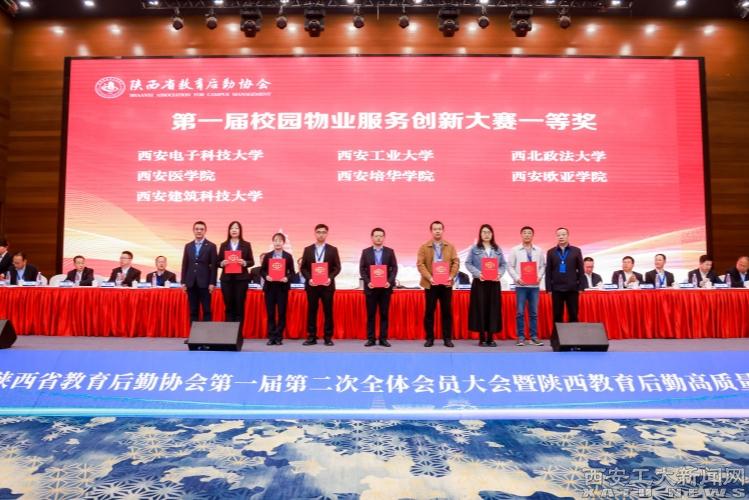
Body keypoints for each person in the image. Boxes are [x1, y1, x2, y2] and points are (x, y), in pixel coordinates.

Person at [417, 220, 460, 348]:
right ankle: (429, 338)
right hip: (431, 284)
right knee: (429, 312)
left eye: (439, 229)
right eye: (435, 229)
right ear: (431, 231)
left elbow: (456, 262)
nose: (437, 231)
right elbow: (420, 264)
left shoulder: (450, 246)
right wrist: (430, 277)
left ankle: (447, 338)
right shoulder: (424, 247)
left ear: (443, 230)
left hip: (446, 284)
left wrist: (451, 276)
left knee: (447, 312)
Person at [464, 224, 506, 347]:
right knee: (480, 309)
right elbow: (468, 263)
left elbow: (503, 264)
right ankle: (482, 337)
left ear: (492, 234)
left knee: (493, 309)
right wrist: (478, 274)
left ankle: (491, 338)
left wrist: (499, 274)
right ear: (480, 234)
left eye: (488, 232)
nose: (486, 234)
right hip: (480, 283)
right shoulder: (474, 249)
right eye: (484, 232)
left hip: (494, 283)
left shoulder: (497, 249)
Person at [300, 224, 341, 346]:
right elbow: (303, 268)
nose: (321, 234)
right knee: (312, 311)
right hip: (312, 285)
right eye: (318, 232)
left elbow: (337, 267)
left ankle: (328, 337)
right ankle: (311, 337)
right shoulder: (308, 249)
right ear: (315, 233)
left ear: (327, 234)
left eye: (323, 232)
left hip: (327, 286)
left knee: (328, 311)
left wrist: (330, 278)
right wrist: (309, 278)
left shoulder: (333, 249)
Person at [359, 227, 398, 347]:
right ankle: (371, 339)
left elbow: (394, 268)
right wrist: (368, 282)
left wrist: (389, 281)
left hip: (385, 289)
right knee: (371, 315)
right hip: (371, 288)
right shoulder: (366, 252)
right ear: (372, 237)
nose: (378, 238)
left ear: (384, 237)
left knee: (384, 314)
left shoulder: (389, 252)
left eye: (381, 236)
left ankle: (383, 339)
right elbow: (362, 269)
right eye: (376, 236)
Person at [507, 226, 545, 347]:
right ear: (521, 235)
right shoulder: (515, 250)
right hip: (521, 286)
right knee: (520, 312)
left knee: (534, 312)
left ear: (532, 235)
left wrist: (539, 276)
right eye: (525, 233)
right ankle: (521, 337)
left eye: (529, 233)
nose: (527, 235)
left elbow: (543, 266)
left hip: (534, 286)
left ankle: (534, 337)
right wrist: (517, 278)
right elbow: (510, 266)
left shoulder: (539, 250)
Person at [261, 233, 295, 346]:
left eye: (280, 240)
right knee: (270, 313)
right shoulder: (268, 256)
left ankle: (279, 337)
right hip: (270, 289)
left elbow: (292, 272)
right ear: (273, 242)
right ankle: (271, 337)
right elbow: (262, 270)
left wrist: (287, 278)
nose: (277, 243)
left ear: (283, 243)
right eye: (275, 240)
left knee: (281, 313)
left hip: (282, 289)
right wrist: (266, 276)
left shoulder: (288, 256)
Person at [181, 221, 218, 322]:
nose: (199, 231)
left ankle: (206, 332)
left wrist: (212, 283)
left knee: (206, 310)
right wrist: (183, 282)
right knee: (193, 311)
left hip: (205, 283)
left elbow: (214, 266)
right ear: (193, 230)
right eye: (197, 229)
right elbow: (185, 264)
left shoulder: (211, 246)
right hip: (191, 283)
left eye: (201, 229)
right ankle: (193, 332)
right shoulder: (188, 246)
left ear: (205, 231)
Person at [545, 227, 584, 323]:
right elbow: (548, 271)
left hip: (572, 288)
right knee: (557, 315)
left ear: (568, 236)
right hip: (557, 289)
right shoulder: (551, 252)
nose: (561, 237)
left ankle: (574, 332)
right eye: (558, 235)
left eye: (563, 234)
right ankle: (556, 333)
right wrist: (549, 288)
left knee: (573, 314)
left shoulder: (576, 251)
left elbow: (581, 270)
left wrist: (581, 287)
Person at [218, 221, 254, 324]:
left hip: (241, 280)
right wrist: (222, 263)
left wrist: (244, 262)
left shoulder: (246, 245)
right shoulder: (224, 245)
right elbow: (217, 262)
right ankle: (229, 331)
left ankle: (238, 331)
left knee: (239, 306)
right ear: (229, 231)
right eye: (232, 228)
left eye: (236, 228)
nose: (234, 230)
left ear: (240, 230)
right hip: (227, 280)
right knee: (228, 306)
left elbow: (251, 261)